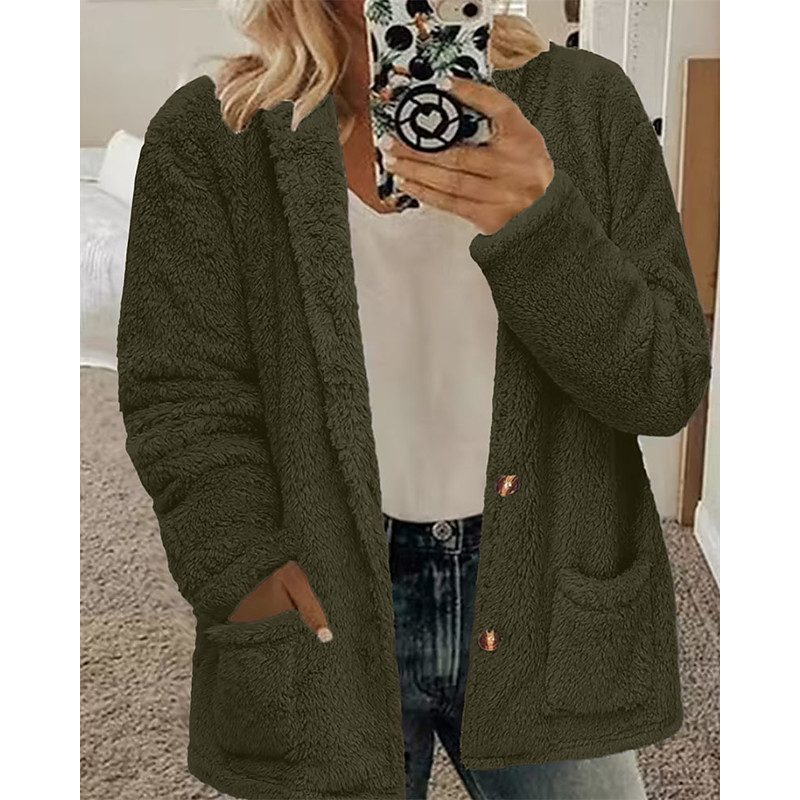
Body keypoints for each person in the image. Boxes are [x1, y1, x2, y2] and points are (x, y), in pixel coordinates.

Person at [117, 1, 711, 798]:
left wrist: (540, 219)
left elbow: (663, 386)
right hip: (325, 600)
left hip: (547, 596)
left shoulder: (587, 104)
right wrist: (242, 570)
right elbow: (182, 393)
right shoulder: (214, 135)